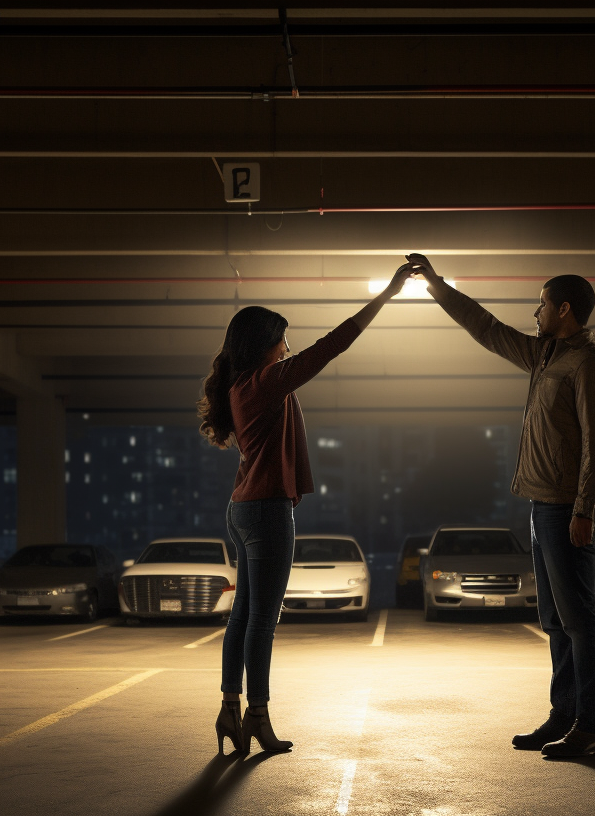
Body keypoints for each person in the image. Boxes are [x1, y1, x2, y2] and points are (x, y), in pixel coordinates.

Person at [406, 253, 595, 758]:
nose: (535, 312)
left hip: (567, 508)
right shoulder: (544, 356)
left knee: (580, 620)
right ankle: (565, 716)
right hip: (542, 505)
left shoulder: (587, 366)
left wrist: (585, 509)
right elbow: (485, 326)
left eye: (541, 304)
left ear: (564, 309)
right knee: (554, 619)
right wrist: (436, 285)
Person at [197, 267, 413, 755]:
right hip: (268, 511)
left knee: (242, 619)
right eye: (284, 341)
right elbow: (334, 344)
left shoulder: (240, 384)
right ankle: (257, 717)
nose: (289, 348)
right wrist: (387, 294)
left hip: (242, 509)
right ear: (267, 344)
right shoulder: (269, 381)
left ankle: (230, 712)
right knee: (262, 622)